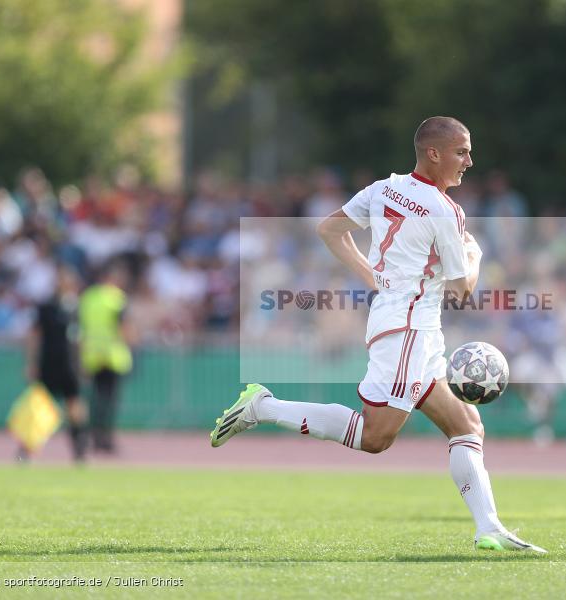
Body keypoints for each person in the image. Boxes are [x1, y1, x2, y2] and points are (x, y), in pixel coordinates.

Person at [211, 116, 546, 554]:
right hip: (409, 329)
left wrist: (373, 277)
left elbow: (329, 229)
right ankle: (264, 406)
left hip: (408, 325)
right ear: (434, 153)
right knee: (375, 438)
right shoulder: (446, 211)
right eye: (462, 152)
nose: (469, 161)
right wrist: (474, 252)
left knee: (467, 425)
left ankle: (490, 528)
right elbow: (464, 289)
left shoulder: (383, 188)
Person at [24, 265, 87, 461]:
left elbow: (80, 339)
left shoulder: (76, 307)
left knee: (74, 405)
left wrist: (83, 364)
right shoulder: (45, 307)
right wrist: (31, 362)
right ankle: (28, 449)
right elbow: (35, 336)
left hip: (69, 364)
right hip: (49, 363)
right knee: (40, 407)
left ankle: (79, 449)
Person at [79, 261, 133, 454]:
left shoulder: (88, 298)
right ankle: (106, 439)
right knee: (109, 401)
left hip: (91, 355)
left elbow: (81, 327)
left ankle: (90, 437)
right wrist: (132, 345)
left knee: (93, 400)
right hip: (112, 356)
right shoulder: (116, 299)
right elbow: (123, 327)